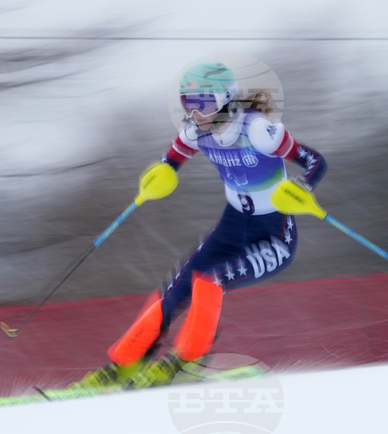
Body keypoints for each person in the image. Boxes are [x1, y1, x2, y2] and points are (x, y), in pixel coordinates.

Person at [72, 61, 328, 390]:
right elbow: (170, 163)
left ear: (225, 99)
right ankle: (122, 365)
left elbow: (314, 161)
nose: (195, 113)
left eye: (202, 104)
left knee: (210, 282)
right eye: (187, 104)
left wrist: (303, 187)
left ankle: (185, 361)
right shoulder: (195, 133)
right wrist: (159, 177)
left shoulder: (258, 131)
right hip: (232, 225)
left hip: (273, 236)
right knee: (176, 288)